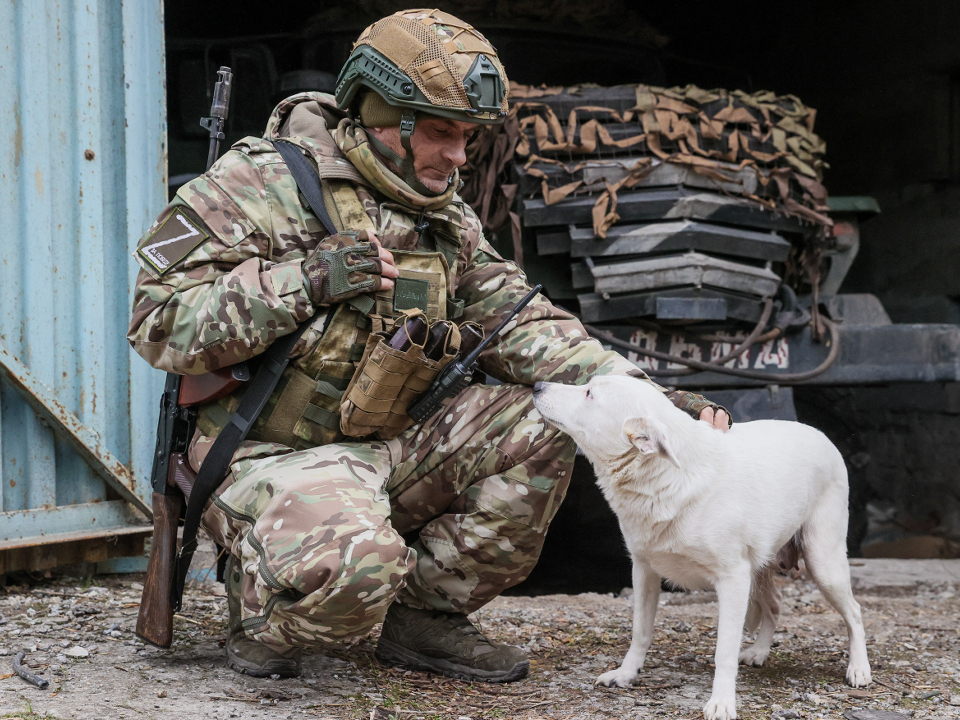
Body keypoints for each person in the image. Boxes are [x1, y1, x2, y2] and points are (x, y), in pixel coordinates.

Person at [127, 8, 729, 683]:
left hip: (391, 441)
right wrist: (306, 280)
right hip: (273, 449)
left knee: (553, 421)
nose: (459, 156)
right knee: (357, 567)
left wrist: (647, 400)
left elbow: (527, 325)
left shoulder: (444, 214)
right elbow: (158, 320)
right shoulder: (262, 184)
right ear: (383, 117)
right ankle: (268, 608)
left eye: (468, 137)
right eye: (441, 133)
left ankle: (423, 619)